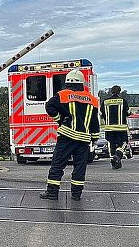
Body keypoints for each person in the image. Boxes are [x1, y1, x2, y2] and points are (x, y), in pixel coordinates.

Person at [40, 69, 100, 201]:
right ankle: (76, 194)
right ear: (82, 83)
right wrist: (95, 137)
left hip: (66, 136)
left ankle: (52, 193)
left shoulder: (62, 94)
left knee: (58, 164)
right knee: (80, 167)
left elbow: (49, 106)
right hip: (84, 139)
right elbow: (95, 121)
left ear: (67, 81)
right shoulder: (93, 100)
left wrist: (60, 119)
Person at [100, 85, 129, 169]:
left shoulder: (105, 102)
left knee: (112, 145)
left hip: (109, 128)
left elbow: (101, 114)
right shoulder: (123, 101)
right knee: (124, 143)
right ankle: (118, 155)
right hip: (121, 128)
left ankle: (114, 162)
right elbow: (128, 112)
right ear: (119, 92)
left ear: (111, 91)